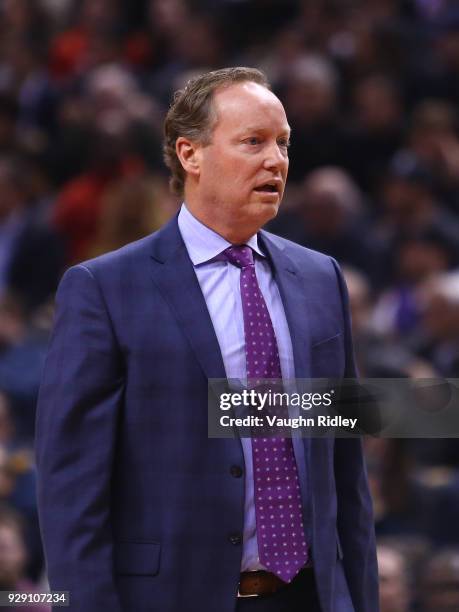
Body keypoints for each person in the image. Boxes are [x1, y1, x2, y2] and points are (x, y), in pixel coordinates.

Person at [35, 67, 378, 612]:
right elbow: (71, 487)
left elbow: (345, 469)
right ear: (190, 154)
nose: (277, 160)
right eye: (253, 142)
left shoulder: (321, 278)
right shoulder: (103, 288)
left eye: (284, 143)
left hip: (312, 596)